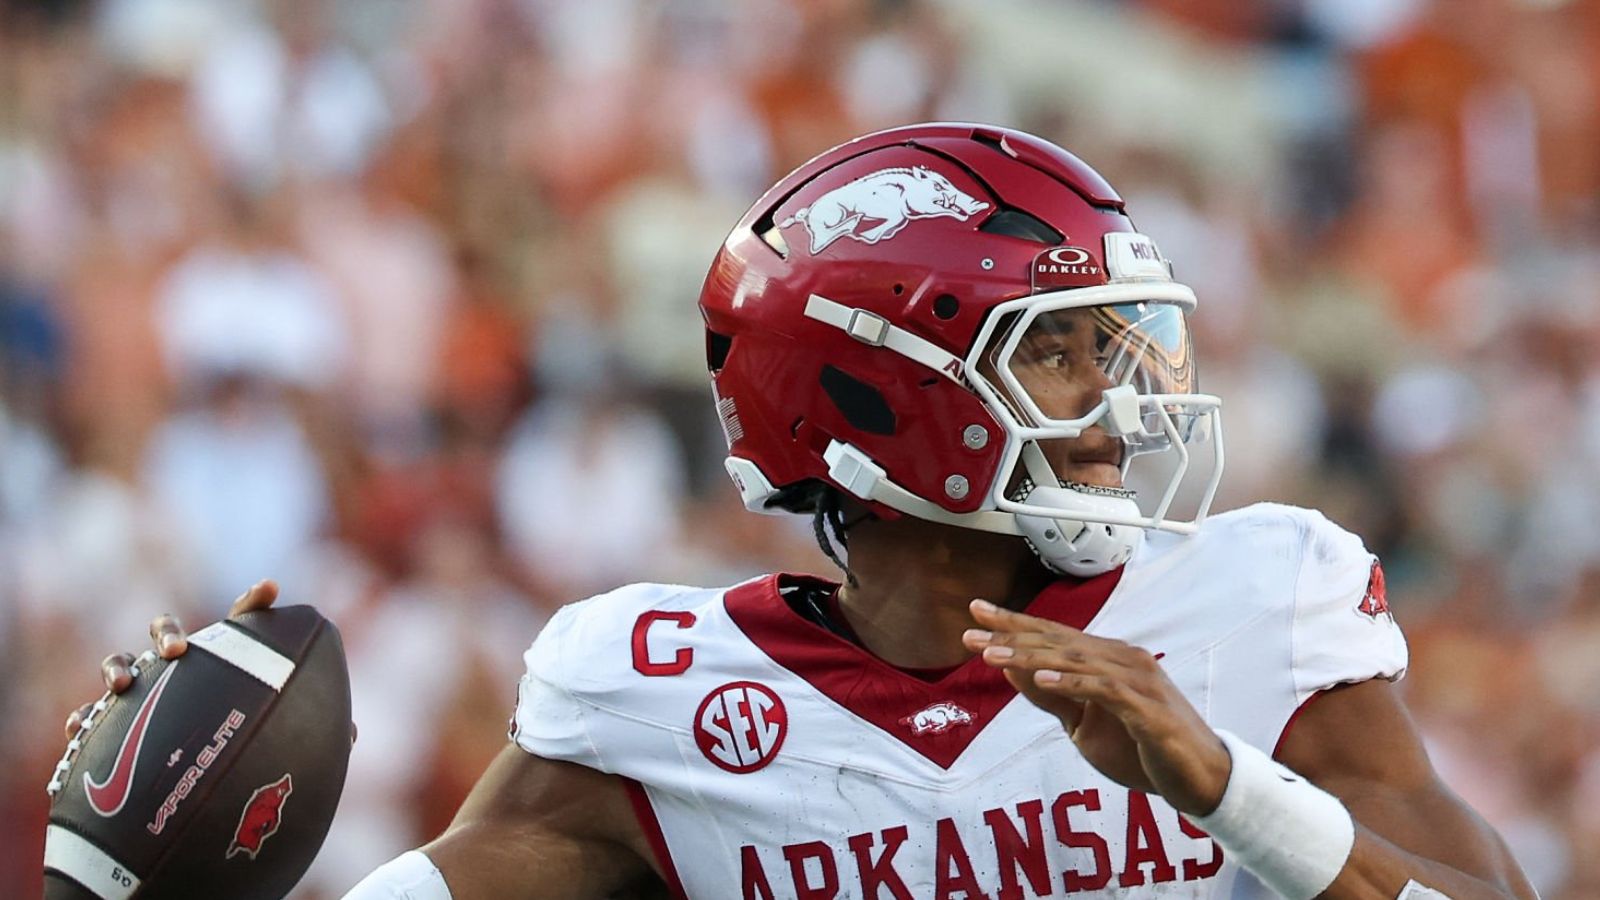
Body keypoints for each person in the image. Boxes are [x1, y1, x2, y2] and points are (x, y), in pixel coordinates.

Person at [71, 124, 1534, 899]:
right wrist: (135, 851)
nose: (1121, 405)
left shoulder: (1254, 607)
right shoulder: (651, 701)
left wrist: (1228, 789)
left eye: (1121, 344)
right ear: (882, 395)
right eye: (1065, 350)